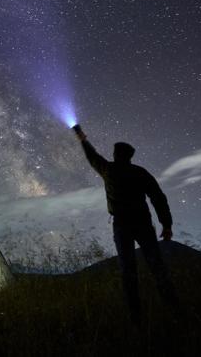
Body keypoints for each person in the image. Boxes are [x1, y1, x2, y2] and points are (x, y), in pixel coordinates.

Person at [73, 124, 178, 323]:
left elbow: (92, 157)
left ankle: (135, 316)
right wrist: (166, 225)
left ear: (116, 154)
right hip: (143, 223)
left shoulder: (108, 169)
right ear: (130, 156)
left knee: (128, 270)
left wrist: (83, 139)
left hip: (121, 225)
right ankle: (173, 308)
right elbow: (158, 198)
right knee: (157, 266)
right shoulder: (140, 172)